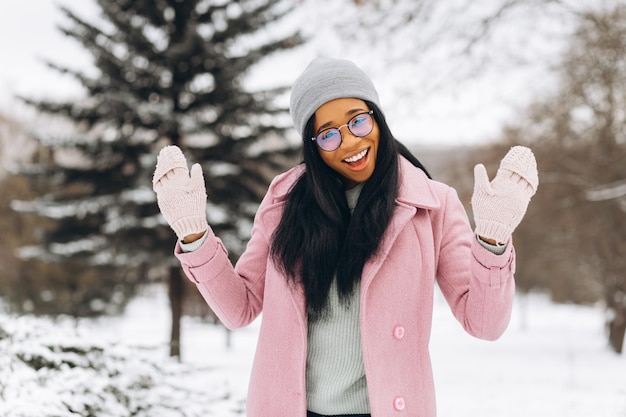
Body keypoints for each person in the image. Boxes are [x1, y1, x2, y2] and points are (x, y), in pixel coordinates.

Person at [152, 57, 538, 417]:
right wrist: (194, 234)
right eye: (328, 135)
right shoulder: (284, 203)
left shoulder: (433, 206)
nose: (350, 142)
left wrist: (492, 240)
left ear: (377, 118)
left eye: (357, 121)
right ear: (312, 146)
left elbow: (484, 323)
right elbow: (241, 309)